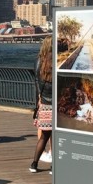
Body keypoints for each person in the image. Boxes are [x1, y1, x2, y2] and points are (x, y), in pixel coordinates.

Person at [30, 37, 53, 173]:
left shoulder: (38, 61)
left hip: (44, 102)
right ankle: (53, 167)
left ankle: (34, 164)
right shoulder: (55, 62)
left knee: (44, 136)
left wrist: (40, 97)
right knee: (55, 138)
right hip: (55, 104)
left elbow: (37, 81)